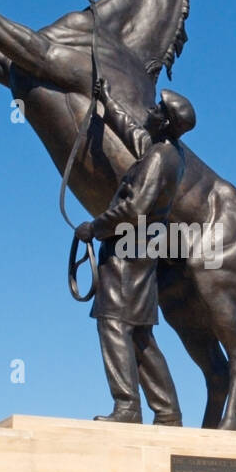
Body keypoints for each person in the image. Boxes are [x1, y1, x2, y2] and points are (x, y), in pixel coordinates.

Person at [76, 77, 197, 424]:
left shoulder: (159, 158)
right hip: (144, 250)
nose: (151, 110)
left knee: (113, 323)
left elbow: (135, 208)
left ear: (167, 122)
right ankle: (168, 412)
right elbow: (133, 132)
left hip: (128, 251)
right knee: (140, 332)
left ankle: (127, 407)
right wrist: (108, 101)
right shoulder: (170, 153)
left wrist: (95, 227)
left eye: (158, 109)